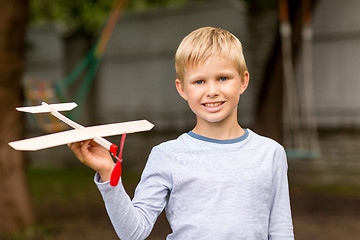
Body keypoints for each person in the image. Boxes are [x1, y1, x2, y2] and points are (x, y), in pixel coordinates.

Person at [68, 26, 294, 240]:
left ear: (243, 81)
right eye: (199, 81)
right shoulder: (166, 155)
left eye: (223, 78)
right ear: (182, 88)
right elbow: (133, 232)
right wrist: (108, 172)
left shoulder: (270, 153)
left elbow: (281, 231)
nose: (212, 91)